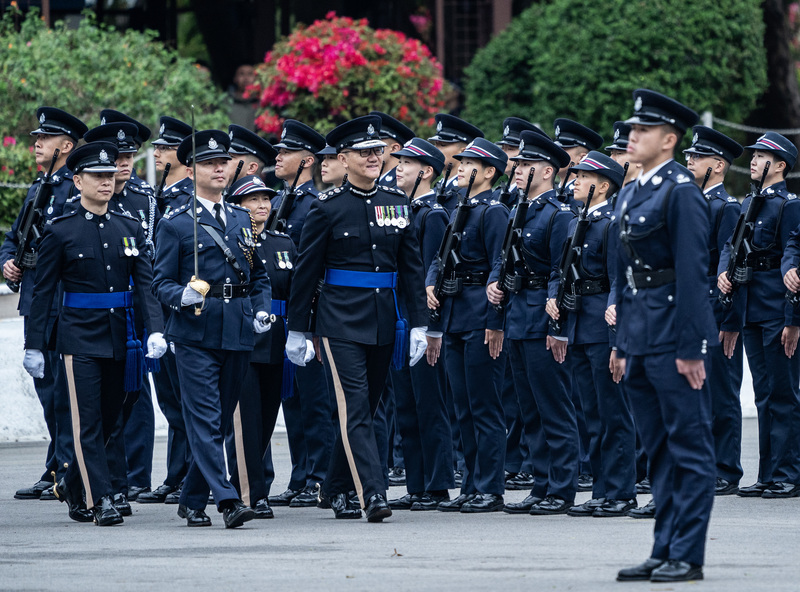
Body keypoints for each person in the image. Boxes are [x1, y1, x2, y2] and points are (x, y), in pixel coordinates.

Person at [286, 114, 428, 522]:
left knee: (367, 406)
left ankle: (334, 488)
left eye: (378, 152)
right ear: (343, 159)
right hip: (339, 321)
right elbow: (306, 273)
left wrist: (419, 322)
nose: (373, 158)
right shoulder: (326, 208)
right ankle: (373, 492)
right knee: (356, 406)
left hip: (385, 319)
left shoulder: (398, 204)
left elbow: (412, 269)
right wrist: (299, 329)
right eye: (364, 152)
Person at [23, 141, 166, 526]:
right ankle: (99, 497)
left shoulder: (129, 227)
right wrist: (35, 345)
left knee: (112, 417)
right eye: (97, 176)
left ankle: (72, 483)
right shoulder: (60, 231)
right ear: (78, 180)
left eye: (109, 175)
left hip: (122, 336)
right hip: (78, 337)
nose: (107, 181)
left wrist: (155, 330)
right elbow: (43, 293)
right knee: (87, 420)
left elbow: (146, 285)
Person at [614, 89, 717, 583]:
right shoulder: (634, 189)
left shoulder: (681, 191)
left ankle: (688, 554)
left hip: (673, 337)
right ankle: (664, 547)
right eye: (632, 130)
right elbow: (629, 274)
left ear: (669, 139)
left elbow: (695, 276)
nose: (632, 137)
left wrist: (692, 347)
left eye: (643, 131)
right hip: (638, 336)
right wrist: (621, 344)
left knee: (689, 448)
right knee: (657, 449)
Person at [152, 129, 272, 528]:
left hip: (237, 329)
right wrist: (181, 296)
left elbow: (259, 277)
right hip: (195, 332)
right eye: (209, 163)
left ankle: (191, 497)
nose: (219, 169)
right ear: (192, 169)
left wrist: (260, 310)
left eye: (223, 162)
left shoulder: (240, 217)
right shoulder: (175, 223)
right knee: (204, 418)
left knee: (219, 421)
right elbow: (161, 281)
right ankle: (227, 500)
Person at [485, 131, 577, 516]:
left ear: (547, 171)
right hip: (518, 317)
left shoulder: (558, 215)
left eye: (525, 165)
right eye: (517, 163)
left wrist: (558, 328)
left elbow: (563, 271)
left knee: (554, 407)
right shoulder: (517, 211)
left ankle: (562, 488)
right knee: (530, 409)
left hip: (543, 318)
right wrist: (494, 285)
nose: (517, 169)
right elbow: (503, 260)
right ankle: (541, 484)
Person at [544, 151, 637, 518]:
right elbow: (560, 270)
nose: (575, 181)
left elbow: (618, 280)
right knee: (592, 414)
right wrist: (555, 300)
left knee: (614, 413)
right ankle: (601, 489)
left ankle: (621, 492)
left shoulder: (612, 223)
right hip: (580, 326)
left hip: (603, 326)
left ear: (602, 185)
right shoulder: (575, 223)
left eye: (582, 176)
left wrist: (617, 341)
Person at [3, 107, 87, 502]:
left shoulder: (76, 189)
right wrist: (7, 264)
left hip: (64, 302)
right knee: (47, 390)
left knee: (64, 393)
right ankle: (57, 465)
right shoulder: (38, 190)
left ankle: (69, 470)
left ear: (66, 147)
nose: (36, 144)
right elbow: (12, 239)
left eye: (46, 139)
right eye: (37, 138)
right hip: (36, 300)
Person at [426, 137, 509, 513]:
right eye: (459, 161)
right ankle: (471, 483)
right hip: (456, 314)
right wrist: (431, 282)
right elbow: (441, 256)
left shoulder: (493, 211)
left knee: (484, 406)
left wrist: (495, 322)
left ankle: (490, 487)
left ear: (489, 172)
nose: (459, 166)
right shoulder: (461, 207)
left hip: (479, 316)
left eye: (469, 163)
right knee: (462, 406)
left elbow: (499, 268)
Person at [725, 132, 800, 499]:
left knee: (785, 393)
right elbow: (731, 245)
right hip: (752, 309)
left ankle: (790, 473)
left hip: (777, 310)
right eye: (752, 155)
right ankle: (769, 473)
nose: (753, 160)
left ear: (780, 165)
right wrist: (726, 270)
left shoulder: (788, 206)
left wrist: (793, 319)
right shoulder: (748, 203)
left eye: (761, 156)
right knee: (765, 394)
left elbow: (793, 261)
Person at [223, 174, 302, 519]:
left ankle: (259, 490)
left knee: (267, 421)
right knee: (245, 423)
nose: (261, 206)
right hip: (243, 341)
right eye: (252, 201)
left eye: (265, 199)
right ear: (236, 207)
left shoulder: (282, 242)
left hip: (276, 341)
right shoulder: (232, 242)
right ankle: (246, 493)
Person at [384, 138, 455, 511]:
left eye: (407, 164)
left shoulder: (433, 215)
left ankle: (438, 483)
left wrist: (432, 329)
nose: (398, 168)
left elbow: (432, 280)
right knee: (406, 407)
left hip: (421, 325)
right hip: (400, 321)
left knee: (430, 404)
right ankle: (416, 483)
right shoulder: (400, 211)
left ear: (426, 171)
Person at [268, 119, 335, 510]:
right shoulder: (276, 202)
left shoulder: (315, 205)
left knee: (315, 400)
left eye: (285, 152)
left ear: (306, 161)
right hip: (282, 313)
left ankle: (320, 477)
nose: (277, 157)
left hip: (309, 315)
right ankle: (299, 475)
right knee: (291, 401)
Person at [683, 126, 746, 496]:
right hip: (691, 308)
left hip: (716, 310)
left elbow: (730, 268)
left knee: (721, 393)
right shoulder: (690, 202)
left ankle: (725, 468)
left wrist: (731, 320)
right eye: (689, 155)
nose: (689, 160)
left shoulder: (725, 207)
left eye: (697, 156)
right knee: (693, 393)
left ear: (718, 165)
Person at [137, 114, 195, 506]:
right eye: (156, 147)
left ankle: (191, 476)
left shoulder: (188, 198)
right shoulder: (156, 196)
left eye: (164, 147)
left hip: (182, 307)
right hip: (158, 308)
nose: (157, 152)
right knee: (170, 400)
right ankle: (177, 474)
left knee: (187, 399)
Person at [428, 114, 484, 213]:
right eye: (435, 144)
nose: (435, 150)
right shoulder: (438, 187)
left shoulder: (465, 192)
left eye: (443, 145)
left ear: (463, 151)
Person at [152, 115, 194, 216]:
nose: (155, 153)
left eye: (164, 148)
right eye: (156, 147)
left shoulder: (191, 198)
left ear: (182, 153)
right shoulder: (162, 192)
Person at [370, 110, 415, 187]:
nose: (370, 149)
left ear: (394, 149)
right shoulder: (374, 181)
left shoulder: (401, 185)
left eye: (377, 146)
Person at [228, 64, 258, 130]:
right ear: (235, 78)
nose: (246, 78)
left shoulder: (262, 103)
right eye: (241, 74)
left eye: (250, 74)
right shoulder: (225, 103)